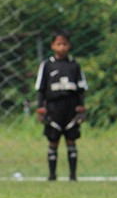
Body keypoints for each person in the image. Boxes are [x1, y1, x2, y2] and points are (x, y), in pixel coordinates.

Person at [34, 30, 87, 181]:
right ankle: (52, 175)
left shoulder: (74, 65)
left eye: (64, 44)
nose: (62, 47)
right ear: (52, 46)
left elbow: (81, 89)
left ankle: (73, 175)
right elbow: (41, 89)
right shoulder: (47, 65)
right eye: (59, 44)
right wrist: (40, 108)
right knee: (53, 140)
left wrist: (81, 107)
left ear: (69, 45)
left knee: (71, 139)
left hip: (70, 107)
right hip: (53, 107)